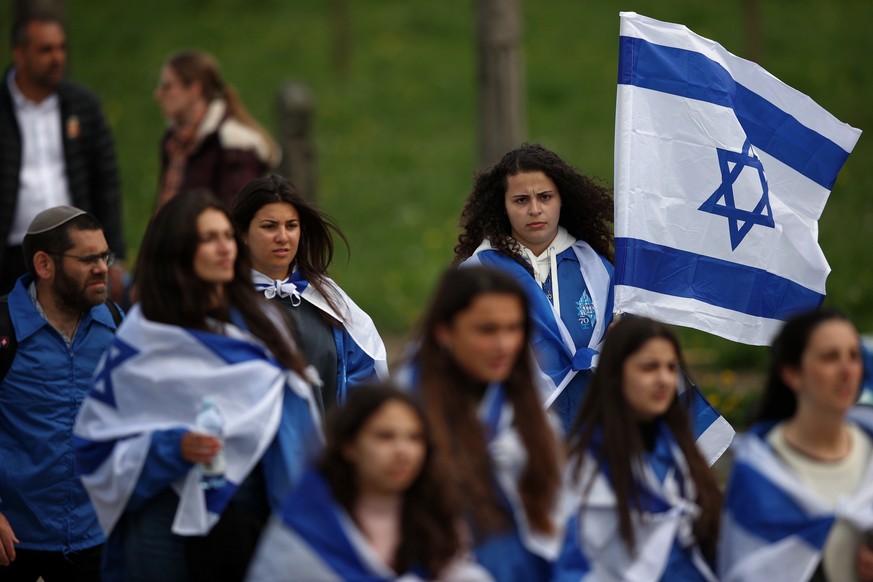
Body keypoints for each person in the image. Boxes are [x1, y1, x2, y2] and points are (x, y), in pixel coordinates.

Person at [73, 190, 321, 582]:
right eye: (208, 238)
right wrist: (172, 447)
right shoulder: (145, 338)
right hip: (165, 520)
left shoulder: (265, 323)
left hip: (259, 514)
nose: (224, 247)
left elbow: (295, 415)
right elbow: (96, 444)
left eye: (226, 235)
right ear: (177, 250)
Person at [398, 265, 565, 581]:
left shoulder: (528, 405)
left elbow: (562, 517)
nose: (504, 345)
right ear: (444, 331)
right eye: (487, 330)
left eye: (514, 328)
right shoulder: (402, 412)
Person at [247, 383, 493, 581]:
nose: (403, 451)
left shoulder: (434, 511)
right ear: (349, 445)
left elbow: (455, 566)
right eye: (385, 437)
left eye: (415, 438)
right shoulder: (306, 523)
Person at [454, 143, 614, 434]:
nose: (535, 209)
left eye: (545, 197)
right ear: (502, 205)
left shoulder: (598, 269)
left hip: (592, 433)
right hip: (511, 437)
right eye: (520, 200)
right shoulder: (478, 273)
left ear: (562, 199)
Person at [0, 205, 122, 579]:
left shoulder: (116, 323)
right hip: (14, 543)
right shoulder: (5, 328)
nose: (102, 267)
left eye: (104, 256)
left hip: (97, 539)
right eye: (88, 259)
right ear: (44, 265)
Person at [555, 316, 722, 581]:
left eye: (671, 367)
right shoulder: (584, 465)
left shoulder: (683, 454)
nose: (665, 379)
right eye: (649, 367)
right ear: (614, 374)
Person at [720, 309, 873, 582]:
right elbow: (744, 570)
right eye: (830, 357)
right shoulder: (759, 473)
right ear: (792, 373)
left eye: (854, 356)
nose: (848, 370)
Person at [231, 174, 387, 412]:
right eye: (269, 226)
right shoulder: (223, 301)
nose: (282, 237)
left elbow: (365, 378)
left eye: (291, 226)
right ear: (243, 233)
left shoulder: (327, 299)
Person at [0, 11, 126, 301]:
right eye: (45, 49)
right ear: (19, 54)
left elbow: (106, 182)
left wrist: (114, 255)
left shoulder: (83, 105)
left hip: (75, 251)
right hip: (10, 255)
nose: (57, 57)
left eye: (61, 47)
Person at [154, 50, 280, 211]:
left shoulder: (234, 144)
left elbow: (236, 219)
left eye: (167, 86)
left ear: (194, 89)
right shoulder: (176, 140)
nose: (158, 94)